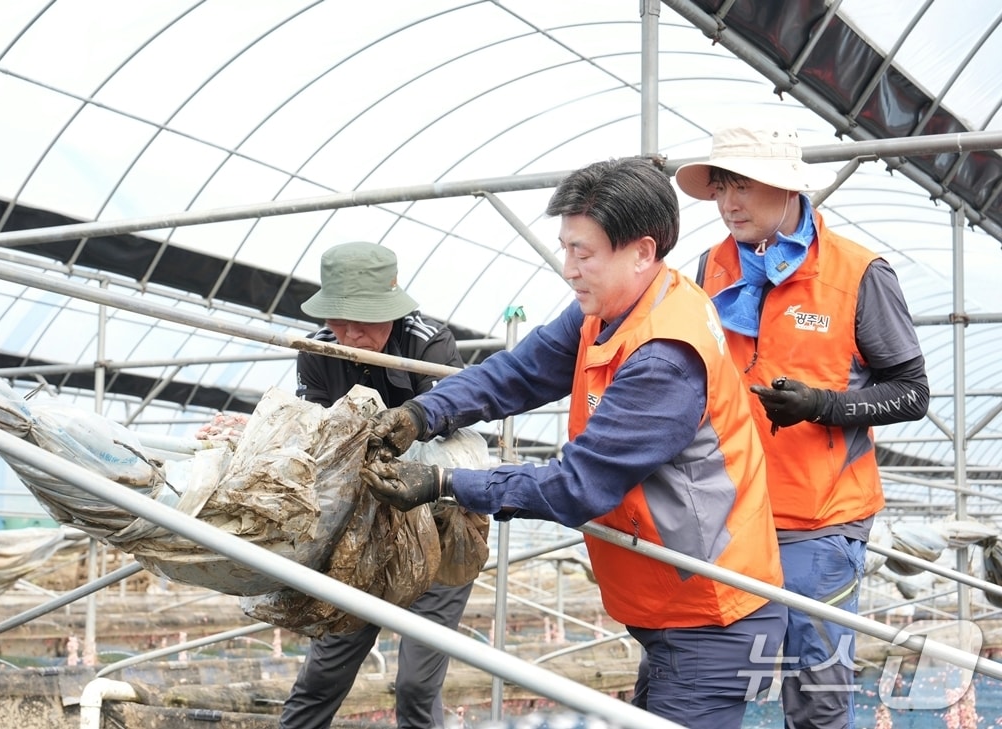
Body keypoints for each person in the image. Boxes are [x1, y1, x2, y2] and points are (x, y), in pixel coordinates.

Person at [360, 157, 787, 729]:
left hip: (710, 610)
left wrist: (444, 483)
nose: (568, 268)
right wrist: (422, 412)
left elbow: (578, 484)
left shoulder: (664, 355)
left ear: (641, 251)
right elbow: (519, 372)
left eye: (582, 253)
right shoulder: (615, 306)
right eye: (565, 248)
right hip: (670, 600)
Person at [674, 126, 930, 729]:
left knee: (815, 695)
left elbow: (913, 392)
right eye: (721, 187)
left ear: (787, 188)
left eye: (744, 186)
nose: (729, 203)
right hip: (724, 515)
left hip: (819, 523)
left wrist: (823, 405)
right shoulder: (711, 267)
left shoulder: (858, 273)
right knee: (697, 684)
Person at [281, 241, 475, 729]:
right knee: (323, 672)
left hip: (438, 523)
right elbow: (316, 435)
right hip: (362, 530)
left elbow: (448, 425)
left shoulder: (427, 344)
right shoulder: (319, 348)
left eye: (364, 320)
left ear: (392, 307)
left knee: (415, 686)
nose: (349, 333)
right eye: (340, 320)